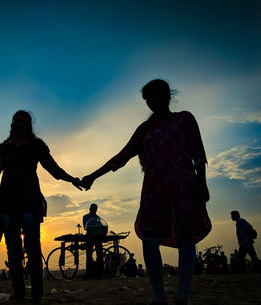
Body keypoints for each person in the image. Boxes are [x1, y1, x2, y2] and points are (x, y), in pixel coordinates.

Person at [79, 79, 211, 305]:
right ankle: (159, 297)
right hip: (154, 190)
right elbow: (121, 157)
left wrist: (202, 182)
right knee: (149, 240)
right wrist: (93, 176)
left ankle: (183, 296)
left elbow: (198, 153)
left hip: (183, 187)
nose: (151, 102)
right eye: (147, 99)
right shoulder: (145, 129)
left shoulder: (184, 119)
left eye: (155, 96)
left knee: (185, 237)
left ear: (167, 95)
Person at [0, 110, 81, 302]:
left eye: (21, 121)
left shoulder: (36, 146)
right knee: (13, 252)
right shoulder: (3, 149)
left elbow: (54, 170)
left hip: (30, 203)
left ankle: (37, 295)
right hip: (7, 206)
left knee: (33, 249)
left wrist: (73, 179)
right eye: (14, 121)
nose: (16, 124)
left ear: (28, 125)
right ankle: (19, 294)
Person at [82, 203, 105, 278]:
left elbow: (100, 227)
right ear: (90, 209)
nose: (94, 211)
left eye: (95, 209)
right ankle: (89, 273)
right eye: (93, 209)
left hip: (98, 238)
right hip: (89, 238)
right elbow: (85, 227)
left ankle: (99, 273)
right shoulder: (85, 217)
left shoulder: (98, 218)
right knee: (89, 255)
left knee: (99, 255)